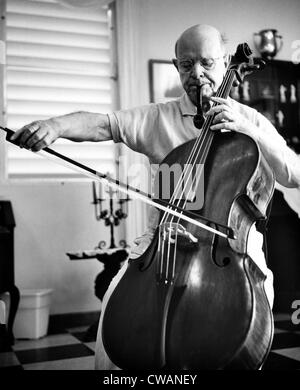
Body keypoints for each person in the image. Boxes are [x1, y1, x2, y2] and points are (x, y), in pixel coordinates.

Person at [10, 24, 300, 369]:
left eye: (207, 63)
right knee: (113, 331)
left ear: (224, 64)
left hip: (231, 255)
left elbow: (293, 174)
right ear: (176, 66)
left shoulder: (251, 120)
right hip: (159, 247)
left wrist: (249, 129)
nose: (197, 74)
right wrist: (55, 126)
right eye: (187, 64)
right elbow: (103, 124)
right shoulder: (157, 118)